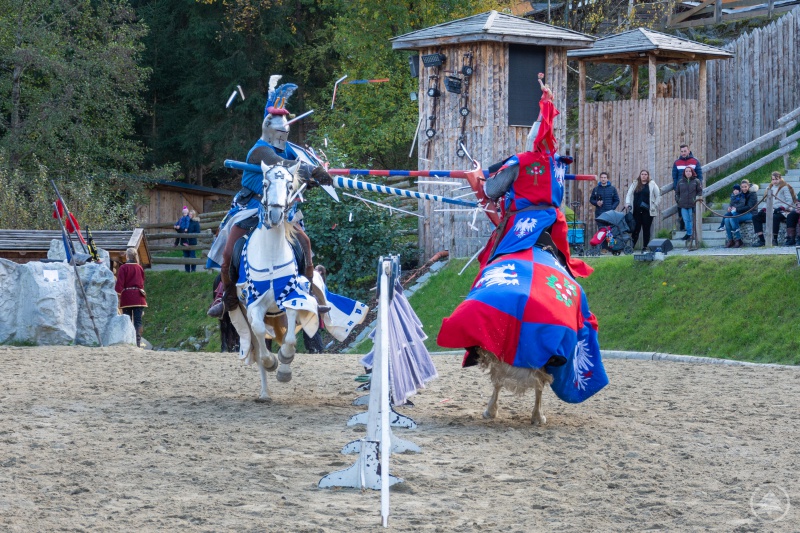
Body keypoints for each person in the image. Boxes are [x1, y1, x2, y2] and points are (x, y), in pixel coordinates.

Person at [207, 79, 333, 318]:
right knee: (229, 251)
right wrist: (310, 171)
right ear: (270, 130)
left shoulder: (288, 149)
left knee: (304, 242)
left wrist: (315, 178)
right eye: (279, 132)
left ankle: (308, 292)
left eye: (285, 132)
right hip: (252, 206)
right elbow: (283, 166)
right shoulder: (259, 150)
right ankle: (228, 297)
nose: (283, 136)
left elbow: (295, 171)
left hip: (280, 208)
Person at [752, 172, 796, 247]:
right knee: (756, 217)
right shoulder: (770, 188)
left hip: (782, 211)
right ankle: (761, 240)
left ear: (780, 179)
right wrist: (763, 209)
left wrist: (781, 207)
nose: (774, 181)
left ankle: (774, 239)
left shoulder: (784, 187)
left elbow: (789, 201)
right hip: (771, 210)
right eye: (773, 179)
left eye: (776, 179)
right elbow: (767, 201)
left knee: (774, 217)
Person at [115, 247, 147, 347]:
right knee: (138, 321)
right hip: (139, 297)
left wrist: (116, 293)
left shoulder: (124, 268)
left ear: (127, 256)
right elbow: (142, 283)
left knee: (127, 320)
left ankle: (129, 342)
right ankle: (137, 343)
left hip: (127, 298)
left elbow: (119, 285)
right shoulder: (140, 267)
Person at [625, 170, 661, 250]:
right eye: (642, 174)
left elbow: (658, 195)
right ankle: (631, 247)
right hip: (637, 211)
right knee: (635, 229)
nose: (644, 176)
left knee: (646, 229)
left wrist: (654, 205)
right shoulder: (635, 183)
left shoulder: (652, 184)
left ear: (648, 176)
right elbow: (629, 194)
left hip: (647, 211)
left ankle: (645, 246)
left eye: (645, 174)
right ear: (640, 175)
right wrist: (627, 203)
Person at [672, 144, 703, 231]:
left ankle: (693, 229)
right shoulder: (676, 163)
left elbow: (699, 175)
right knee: (681, 211)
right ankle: (683, 228)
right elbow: (674, 176)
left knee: (692, 212)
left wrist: (699, 186)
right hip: (681, 190)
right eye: (682, 151)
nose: (683, 153)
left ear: (688, 151)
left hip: (692, 190)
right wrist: (676, 188)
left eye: (685, 151)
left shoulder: (695, 161)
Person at [723, 180, 757, 248]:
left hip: (750, 213)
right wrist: (731, 207)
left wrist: (736, 209)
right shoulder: (740, 194)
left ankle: (738, 240)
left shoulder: (752, 194)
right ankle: (730, 240)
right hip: (740, 212)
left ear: (748, 186)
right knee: (726, 220)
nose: (744, 188)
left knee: (733, 218)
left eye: (745, 187)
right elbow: (735, 202)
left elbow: (749, 207)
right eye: (742, 187)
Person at [674, 166, 702, 242]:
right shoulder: (680, 181)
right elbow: (677, 192)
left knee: (691, 219)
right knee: (686, 220)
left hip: (692, 204)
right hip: (683, 204)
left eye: (689, 171)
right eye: (686, 171)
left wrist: (697, 199)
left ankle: (693, 234)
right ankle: (689, 234)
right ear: (684, 173)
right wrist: (678, 200)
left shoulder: (696, 181)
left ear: (692, 172)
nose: (688, 172)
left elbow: (699, 191)